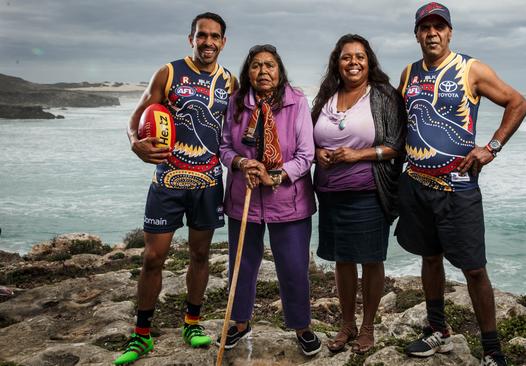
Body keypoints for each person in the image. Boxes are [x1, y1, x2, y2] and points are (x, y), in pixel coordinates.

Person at [395, 3, 526, 366]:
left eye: (439, 26)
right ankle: (438, 330)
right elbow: (398, 126)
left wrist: (492, 148)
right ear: (417, 34)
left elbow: (517, 103)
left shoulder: (471, 69)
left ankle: (492, 351)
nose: (432, 33)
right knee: (430, 258)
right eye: (425, 27)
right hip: (417, 185)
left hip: (458, 188)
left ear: (450, 32)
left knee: (473, 269)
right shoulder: (408, 74)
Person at [115, 12, 236, 365]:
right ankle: (141, 336)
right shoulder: (168, 73)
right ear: (191, 39)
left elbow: (240, 127)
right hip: (167, 179)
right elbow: (135, 116)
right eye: (202, 35)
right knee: (153, 257)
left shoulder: (230, 81)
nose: (208, 42)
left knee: (200, 256)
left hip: (208, 182)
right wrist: (135, 143)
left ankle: (192, 322)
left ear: (223, 42)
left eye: (215, 36)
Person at [217, 44, 321, 356]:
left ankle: (302, 327)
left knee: (293, 266)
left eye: (270, 65)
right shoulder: (236, 102)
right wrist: (241, 163)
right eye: (256, 66)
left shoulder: (296, 101)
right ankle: (239, 323)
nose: (264, 71)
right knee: (242, 264)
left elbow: (306, 155)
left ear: (279, 70)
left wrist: (274, 176)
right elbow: (224, 147)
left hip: (289, 201)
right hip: (243, 199)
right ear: (248, 72)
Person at [311, 34, 406, 354]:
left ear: (369, 62)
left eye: (360, 57)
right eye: (346, 57)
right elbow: (309, 138)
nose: (353, 62)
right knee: (342, 260)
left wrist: (358, 155)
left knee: (371, 259)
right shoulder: (327, 95)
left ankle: (367, 327)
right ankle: (346, 324)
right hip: (330, 194)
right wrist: (317, 153)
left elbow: (396, 146)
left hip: (368, 193)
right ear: (337, 63)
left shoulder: (383, 96)